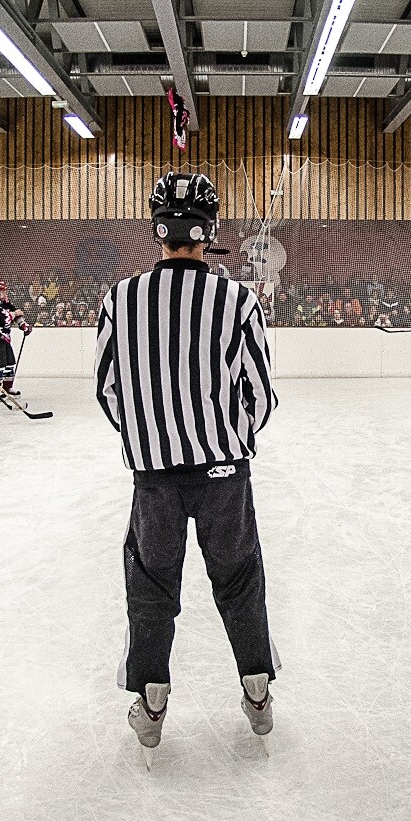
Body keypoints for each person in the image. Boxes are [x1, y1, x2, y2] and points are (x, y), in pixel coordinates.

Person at [94, 172, 279, 766]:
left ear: (157, 229)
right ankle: (256, 685)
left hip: (154, 476)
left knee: (151, 585)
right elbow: (261, 392)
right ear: (211, 231)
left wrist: (148, 439)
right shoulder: (238, 300)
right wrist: (228, 441)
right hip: (225, 469)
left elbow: (107, 388)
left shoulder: (120, 300)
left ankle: (151, 700)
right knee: (239, 576)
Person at [0, 281, 30, 395]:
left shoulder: (5, 302)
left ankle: (8, 388)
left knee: (10, 363)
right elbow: (4, 317)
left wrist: (23, 324)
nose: (5, 293)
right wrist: (15, 314)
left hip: (4, 337)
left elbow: (15, 313)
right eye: (2, 291)